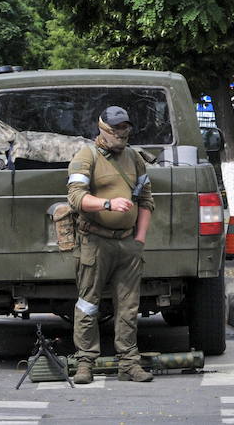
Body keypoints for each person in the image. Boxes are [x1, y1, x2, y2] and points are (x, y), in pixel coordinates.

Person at [66, 106, 156, 384]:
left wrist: (139, 238)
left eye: (125, 127)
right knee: (88, 303)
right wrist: (107, 203)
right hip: (95, 241)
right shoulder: (86, 156)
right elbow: (75, 197)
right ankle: (85, 363)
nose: (121, 133)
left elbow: (146, 199)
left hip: (127, 245)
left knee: (129, 306)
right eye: (116, 128)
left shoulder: (134, 158)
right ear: (102, 129)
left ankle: (129, 364)